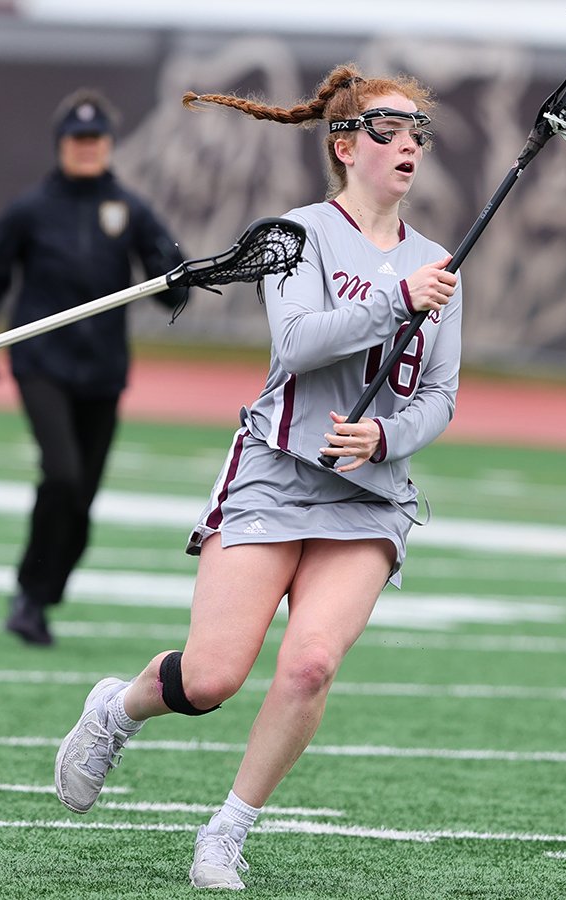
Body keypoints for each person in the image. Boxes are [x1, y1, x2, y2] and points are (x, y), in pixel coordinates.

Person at [52, 65, 461, 889]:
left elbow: (443, 394)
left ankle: (227, 830)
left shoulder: (441, 263)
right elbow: (299, 345)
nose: (409, 141)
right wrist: (395, 301)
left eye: (418, 129)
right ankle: (117, 709)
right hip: (275, 474)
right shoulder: (298, 236)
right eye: (389, 128)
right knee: (209, 679)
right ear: (345, 146)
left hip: (370, 498)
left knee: (310, 663)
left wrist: (384, 434)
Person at [0, 89, 187, 647]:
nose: (87, 149)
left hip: (104, 371)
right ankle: (29, 593)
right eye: (77, 140)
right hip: (42, 364)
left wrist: (173, 272)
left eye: (96, 140)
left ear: (109, 145)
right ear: (61, 144)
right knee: (61, 475)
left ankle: (44, 595)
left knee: (82, 497)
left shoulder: (131, 209)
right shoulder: (30, 210)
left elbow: (168, 290)